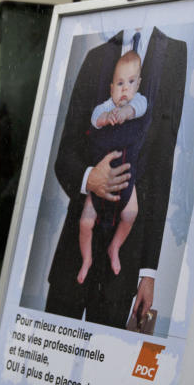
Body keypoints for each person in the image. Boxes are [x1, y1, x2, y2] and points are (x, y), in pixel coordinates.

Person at [46, 27, 187, 329]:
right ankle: (86, 258)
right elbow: (65, 153)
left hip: (124, 266)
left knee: (104, 368)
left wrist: (147, 273)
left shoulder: (174, 54)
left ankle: (114, 251)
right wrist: (89, 179)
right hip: (72, 259)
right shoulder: (97, 56)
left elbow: (161, 169)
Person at [77, 50, 149, 284]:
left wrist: (126, 112)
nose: (125, 89)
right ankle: (86, 258)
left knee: (131, 213)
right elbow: (95, 118)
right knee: (86, 222)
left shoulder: (138, 101)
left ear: (138, 84)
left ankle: (114, 247)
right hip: (101, 177)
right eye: (119, 84)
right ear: (111, 89)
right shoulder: (106, 105)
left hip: (127, 176)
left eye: (130, 82)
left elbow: (139, 108)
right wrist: (107, 117)